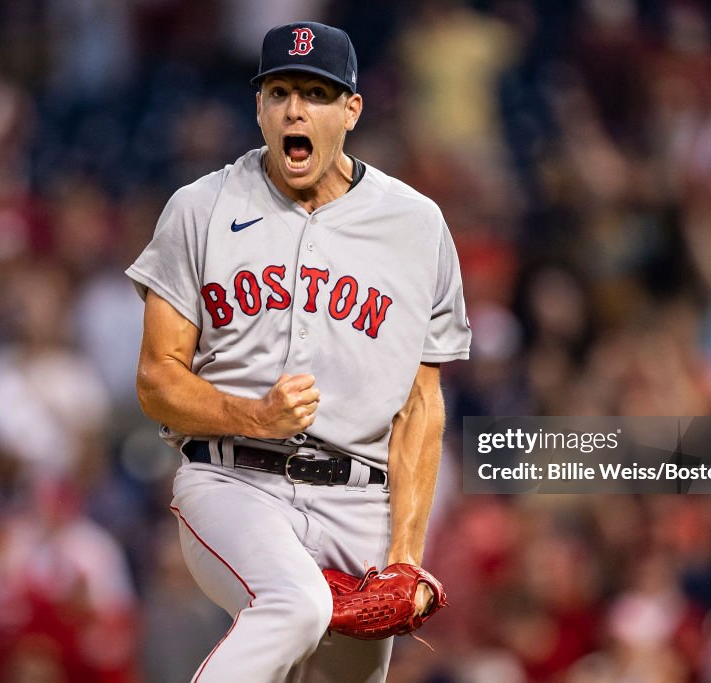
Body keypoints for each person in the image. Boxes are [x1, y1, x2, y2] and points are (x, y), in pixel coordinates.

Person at [127, 21, 470, 682]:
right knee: (297, 603)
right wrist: (256, 415)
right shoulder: (199, 208)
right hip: (233, 479)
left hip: (360, 503)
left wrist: (403, 555)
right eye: (279, 91)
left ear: (351, 109)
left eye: (316, 93)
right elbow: (156, 383)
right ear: (258, 106)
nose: (294, 109)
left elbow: (421, 402)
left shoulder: (416, 224)